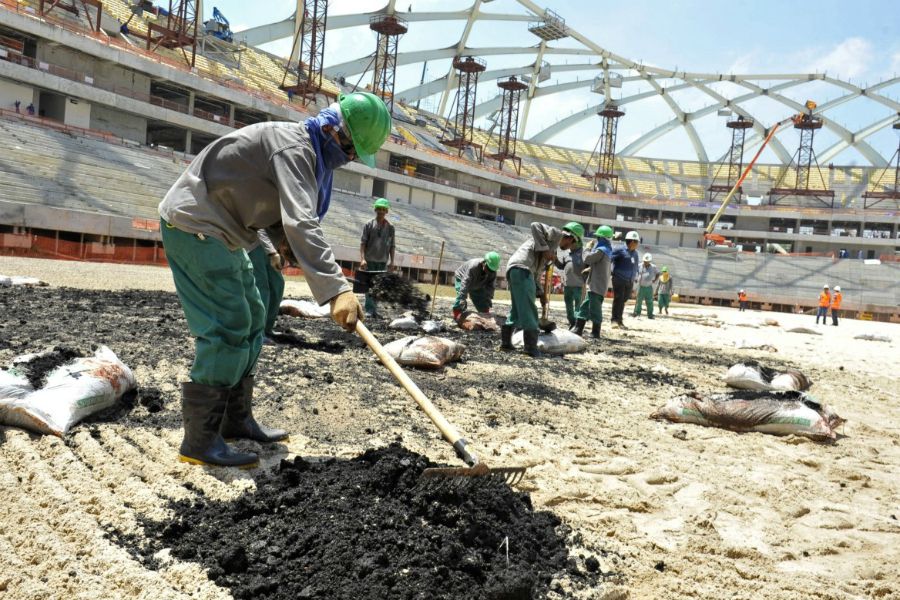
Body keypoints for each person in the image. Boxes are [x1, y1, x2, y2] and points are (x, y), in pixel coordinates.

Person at [158, 91, 391, 468]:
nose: (349, 159)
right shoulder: (295, 148)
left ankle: (235, 420)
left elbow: (276, 212)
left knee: (252, 315)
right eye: (350, 150)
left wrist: (282, 243)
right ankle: (199, 441)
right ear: (334, 131)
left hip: (228, 232)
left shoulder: (310, 152)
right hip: (197, 224)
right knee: (228, 325)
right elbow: (301, 220)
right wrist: (337, 291)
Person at [501, 221, 584, 357]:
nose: (570, 247)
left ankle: (506, 344)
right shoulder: (556, 234)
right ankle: (530, 348)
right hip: (523, 268)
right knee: (529, 309)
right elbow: (535, 225)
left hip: (516, 269)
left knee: (517, 309)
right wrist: (545, 249)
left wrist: (541, 294)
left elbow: (537, 275)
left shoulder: (552, 249)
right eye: (571, 244)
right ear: (570, 237)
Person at [572, 225, 613, 338]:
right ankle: (578, 329)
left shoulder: (601, 250)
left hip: (596, 285)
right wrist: (590, 269)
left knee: (595, 309)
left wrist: (587, 248)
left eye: (598, 238)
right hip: (597, 285)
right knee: (585, 307)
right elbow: (601, 266)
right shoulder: (608, 250)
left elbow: (587, 259)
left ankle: (595, 332)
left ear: (602, 239)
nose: (597, 240)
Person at [359, 197, 396, 319]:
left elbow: (392, 245)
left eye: (383, 209)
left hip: (382, 261)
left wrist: (392, 261)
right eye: (379, 209)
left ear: (386, 211)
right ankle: (369, 309)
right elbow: (363, 243)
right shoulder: (369, 225)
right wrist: (362, 259)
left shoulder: (390, 228)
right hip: (370, 261)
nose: (381, 211)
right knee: (369, 286)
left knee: (378, 287)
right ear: (375, 210)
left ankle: (374, 309)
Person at [248, 229, 286, 342]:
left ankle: (267, 328)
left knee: (278, 284)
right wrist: (272, 252)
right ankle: (257, 333)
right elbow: (260, 227)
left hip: (273, 245)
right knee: (262, 287)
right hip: (255, 244)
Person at [452, 251, 500, 318]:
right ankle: (457, 315)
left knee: (481, 300)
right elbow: (465, 282)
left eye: (492, 270)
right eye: (488, 268)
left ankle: (485, 314)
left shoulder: (492, 272)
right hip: (462, 278)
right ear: (484, 263)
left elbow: (490, 286)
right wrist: (462, 298)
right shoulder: (473, 267)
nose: (490, 272)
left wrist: (489, 298)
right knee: (461, 300)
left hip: (477, 283)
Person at [610, 231, 640, 328]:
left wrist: (635, 277)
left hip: (629, 281)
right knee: (618, 299)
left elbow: (635, 266)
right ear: (632, 242)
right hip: (619, 278)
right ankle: (614, 320)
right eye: (637, 242)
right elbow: (609, 258)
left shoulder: (635, 254)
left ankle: (619, 321)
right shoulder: (620, 250)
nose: (638, 244)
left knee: (623, 300)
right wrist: (610, 271)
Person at [555, 246, 585, 328]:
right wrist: (555, 259)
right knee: (568, 304)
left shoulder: (583, 255)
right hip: (567, 284)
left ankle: (577, 323)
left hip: (578, 285)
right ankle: (572, 321)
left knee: (578, 305)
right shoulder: (567, 255)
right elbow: (561, 266)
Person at [633, 253, 660, 319]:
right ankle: (637, 313)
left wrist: (655, 280)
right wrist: (636, 278)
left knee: (650, 301)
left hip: (649, 287)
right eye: (645, 261)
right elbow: (635, 272)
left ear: (650, 261)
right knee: (638, 301)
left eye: (647, 262)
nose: (645, 263)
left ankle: (650, 315)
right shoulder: (639, 266)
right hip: (640, 286)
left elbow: (658, 273)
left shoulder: (654, 267)